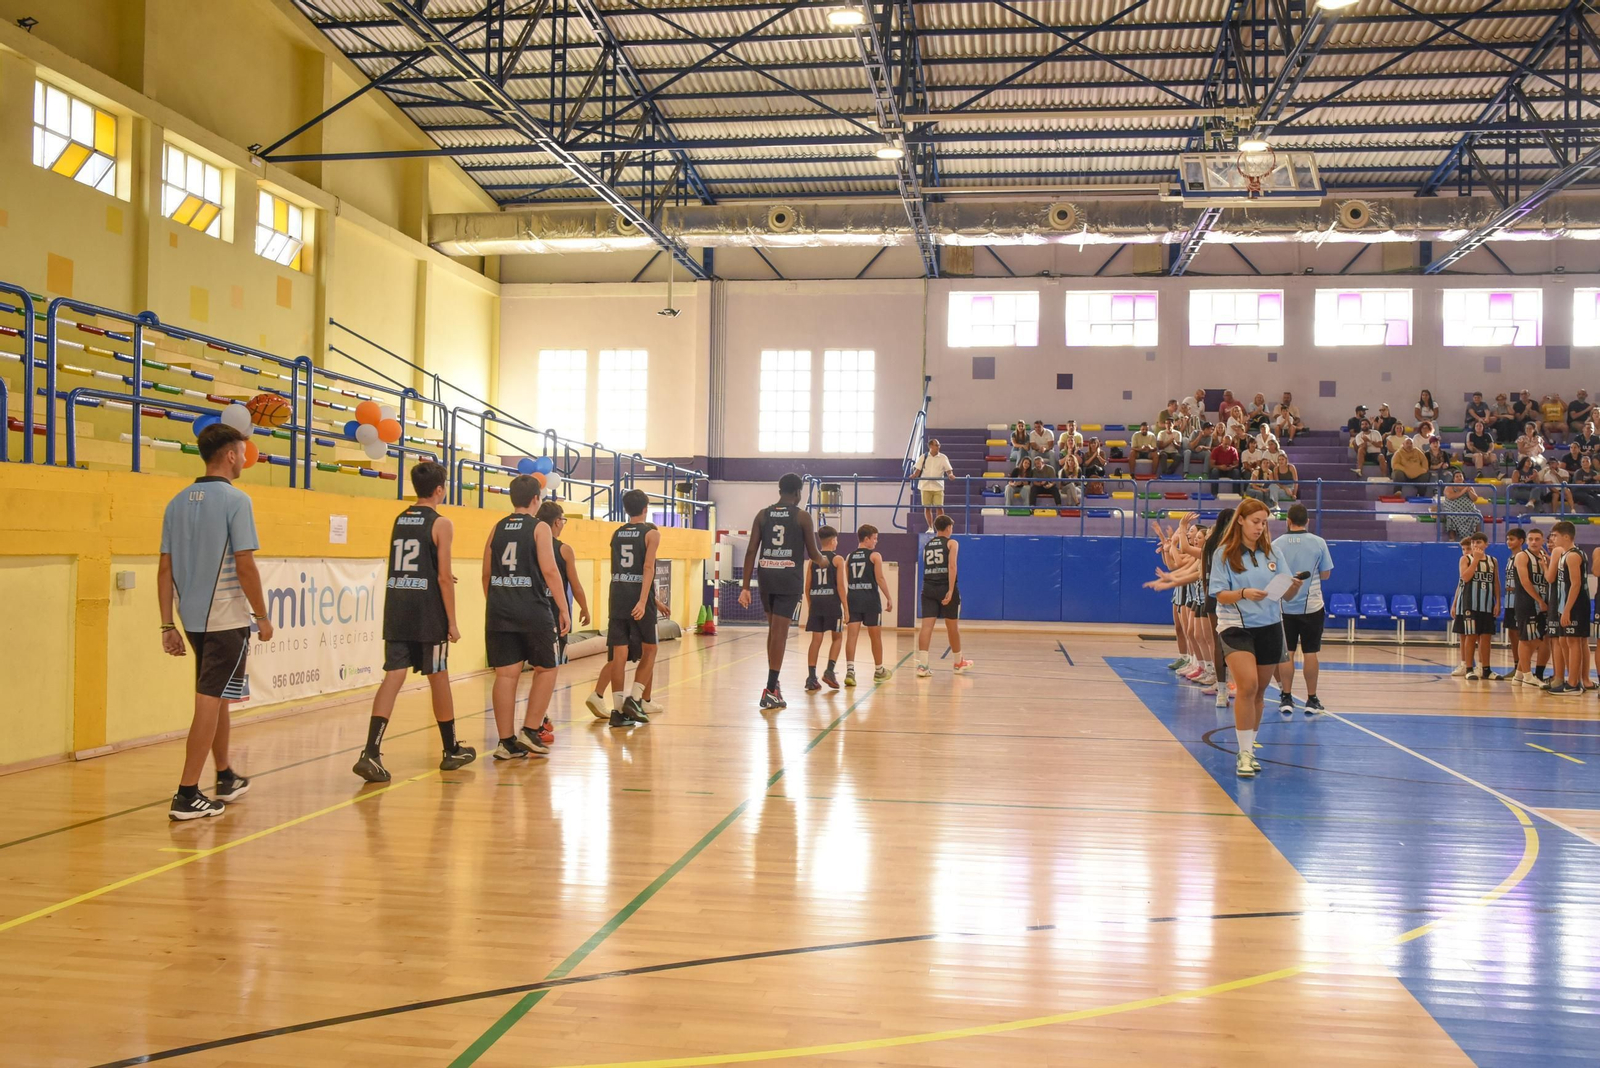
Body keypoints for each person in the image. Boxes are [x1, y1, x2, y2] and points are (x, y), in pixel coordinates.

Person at [158, 424, 271, 820]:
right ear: (230, 455)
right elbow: (245, 565)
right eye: (243, 451)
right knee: (209, 700)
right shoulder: (237, 501)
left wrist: (166, 625)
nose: (245, 457)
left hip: (192, 617)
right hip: (226, 616)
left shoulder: (176, 502)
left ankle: (224, 775)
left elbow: (164, 568)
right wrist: (261, 615)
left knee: (218, 694)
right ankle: (188, 793)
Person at [354, 461, 475, 783]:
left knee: (393, 676)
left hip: (397, 606)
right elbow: (443, 579)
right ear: (440, 489)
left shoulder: (400, 518)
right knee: (438, 675)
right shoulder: (442, 523)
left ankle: (370, 751)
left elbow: (414, 563)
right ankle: (451, 750)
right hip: (426, 611)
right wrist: (452, 622)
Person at [1209, 499, 1303, 779]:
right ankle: (1244, 754)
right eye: (1255, 521)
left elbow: (1286, 596)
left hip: (1270, 625)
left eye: (1264, 522)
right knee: (1247, 685)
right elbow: (1219, 594)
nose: (1260, 527)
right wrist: (1244, 593)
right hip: (1235, 625)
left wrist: (1292, 587)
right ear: (1240, 520)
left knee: (1259, 692)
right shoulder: (1224, 554)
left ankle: (1250, 748)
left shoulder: (1273, 553)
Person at [482, 475, 568, 761]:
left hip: (499, 609)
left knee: (506, 675)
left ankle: (505, 742)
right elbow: (550, 571)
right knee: (547, 668)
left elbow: (486, 574)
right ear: (535, 499)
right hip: (532, 608)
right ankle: (530, 730)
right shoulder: (539, 527)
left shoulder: (496, 528)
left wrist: (496, 601)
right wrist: (563, 607)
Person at [739, 473, 826, 710]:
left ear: (780, 490)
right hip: (788, 578)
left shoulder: (763, 514)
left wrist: (745, 586)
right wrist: (825, 561)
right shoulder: (802, 516)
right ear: (798, 492)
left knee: (773, 631)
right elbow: (813, 553)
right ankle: (769, 690)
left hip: (766, 577)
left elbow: (750, 552)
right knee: (780, 633)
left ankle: (774, 685)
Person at [604, 488, 660, 727]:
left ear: (626, 509)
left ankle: (617, 711)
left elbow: (613, 567)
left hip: (616, 593)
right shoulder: (651, 534)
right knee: (650, 649)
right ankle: (635, 699)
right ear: (646, 508)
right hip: (638, 595)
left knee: (619, 654)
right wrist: (643, 600)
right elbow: (648, 568)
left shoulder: (616, 533)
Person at [1274, 503, 1333, 714]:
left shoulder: (1276, 544)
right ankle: (1311, 699)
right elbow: (1325, 574)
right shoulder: (1319, 543)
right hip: (1313, 607)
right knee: (1310, 652)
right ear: (1307, 521)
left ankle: (1286, 698)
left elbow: (1273, 576)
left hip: (1284, 607)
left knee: (1287, 653)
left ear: (1288, 521)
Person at [915, 515, 972, 677]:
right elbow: (952, 566)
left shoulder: (927, 545)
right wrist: (951, 589)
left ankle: (922, 665)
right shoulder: (952, 543)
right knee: (952, 627)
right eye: (951, 528)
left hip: (928, 587)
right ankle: (958, 662)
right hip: (945, 586)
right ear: (948, 528)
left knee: (926, 627)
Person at [843, 525, 895, 686]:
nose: (876, 542)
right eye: (874, 538)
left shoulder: (849, 557)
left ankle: (850, 671)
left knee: (852, 636)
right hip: (870, 600)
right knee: (875, 637)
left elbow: (848, 579)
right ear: (866, 539)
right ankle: (879, 670)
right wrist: (889, 597)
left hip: (853, 598)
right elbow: (879, 578)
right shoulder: (875, 556)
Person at [802, 525, 850, 692]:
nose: (837, 543)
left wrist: (810, 605)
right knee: (837, 637)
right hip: (831, 602)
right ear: (832, 541)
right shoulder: (838, 560)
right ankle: (829, 671)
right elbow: (841, 587)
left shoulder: (812, 560)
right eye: (836, 539)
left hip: (816, 602)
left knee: (816, 640)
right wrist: (846, 608)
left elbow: (806, 587)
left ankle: (811, 677)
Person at [1544, 521, 1589, 695]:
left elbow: (1576, 584)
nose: (1552, 539)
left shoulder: (1572, 555)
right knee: (1565, 640)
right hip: (1567, 603)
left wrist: (1568, 609)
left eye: (1555, 535)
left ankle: (1573, 684)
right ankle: (1574, 679)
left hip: (1576, 604)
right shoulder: (1566, 555)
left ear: (1566, 536)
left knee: (1573, 641)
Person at [1449, 533, 1499, 680]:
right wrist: (1476, 560)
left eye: (1479, 542)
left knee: (1486, 637)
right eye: (1473, 543)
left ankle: (1486, 669)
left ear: (1486, 544)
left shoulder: (1492, 561)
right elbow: (1465, 577)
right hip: (1470, 604)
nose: (1475, 545)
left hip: (1487, 604)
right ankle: (1469, 668)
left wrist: (1498, 602)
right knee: (1470, 636)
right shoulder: (1466, 559)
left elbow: (1496, 582)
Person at [1505, 527, 1550, 685]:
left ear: (1543, 541)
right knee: (1525, 639)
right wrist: (1539, 600)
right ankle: (1528, 676)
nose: (1534, 542)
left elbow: (1549, 578)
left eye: (1537, 539)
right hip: (1527, 602)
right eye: (1531, 539)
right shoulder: (1522, 556)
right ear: (1526, 541)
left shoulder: (1544, 557)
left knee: (1539, 638)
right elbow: (1525, 582)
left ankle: (1518, 675)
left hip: (1542, 602)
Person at [911, 439, 954, 530]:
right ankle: (930, 527)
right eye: (936, 445)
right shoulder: (924, 456)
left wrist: (950, 474)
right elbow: (918, 469)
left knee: (939, 507)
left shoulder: (943, 457)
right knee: (927, 508)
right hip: (925, 485)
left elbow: (948, 469)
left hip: (938, 486)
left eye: (938, 445)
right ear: (931, 446)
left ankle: (940, 527)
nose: (938, 446)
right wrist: (914, 475)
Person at [1437, 471, 1483, 538]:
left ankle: (1478, 538)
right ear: (1453, 479)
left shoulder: (1468, 487)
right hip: (1453, 509)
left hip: (1468, 510)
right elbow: (1451, 497)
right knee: (1450, 516)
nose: (1459, 478)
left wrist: (1469, 491)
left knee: (1477, 515)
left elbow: (1475, 499)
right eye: (1457, 476)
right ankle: (1452, 540)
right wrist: (1463, 490)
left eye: (1460, 476)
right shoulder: (1449, 487)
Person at [1207, 432, 1241, 496]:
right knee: (1214, 471)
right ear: (1222, 441)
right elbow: (1211, 465)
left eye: (1228, 444)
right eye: (1225, 444)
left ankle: (1236, 494)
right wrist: (1220, 467)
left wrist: (1231, 467)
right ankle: (1214, 493)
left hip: (1229, 470)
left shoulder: (1233, 450)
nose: (1226, 446)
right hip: (1219, 469)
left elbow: (1236, 464)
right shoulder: (1216, 450)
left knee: (1236, 472)